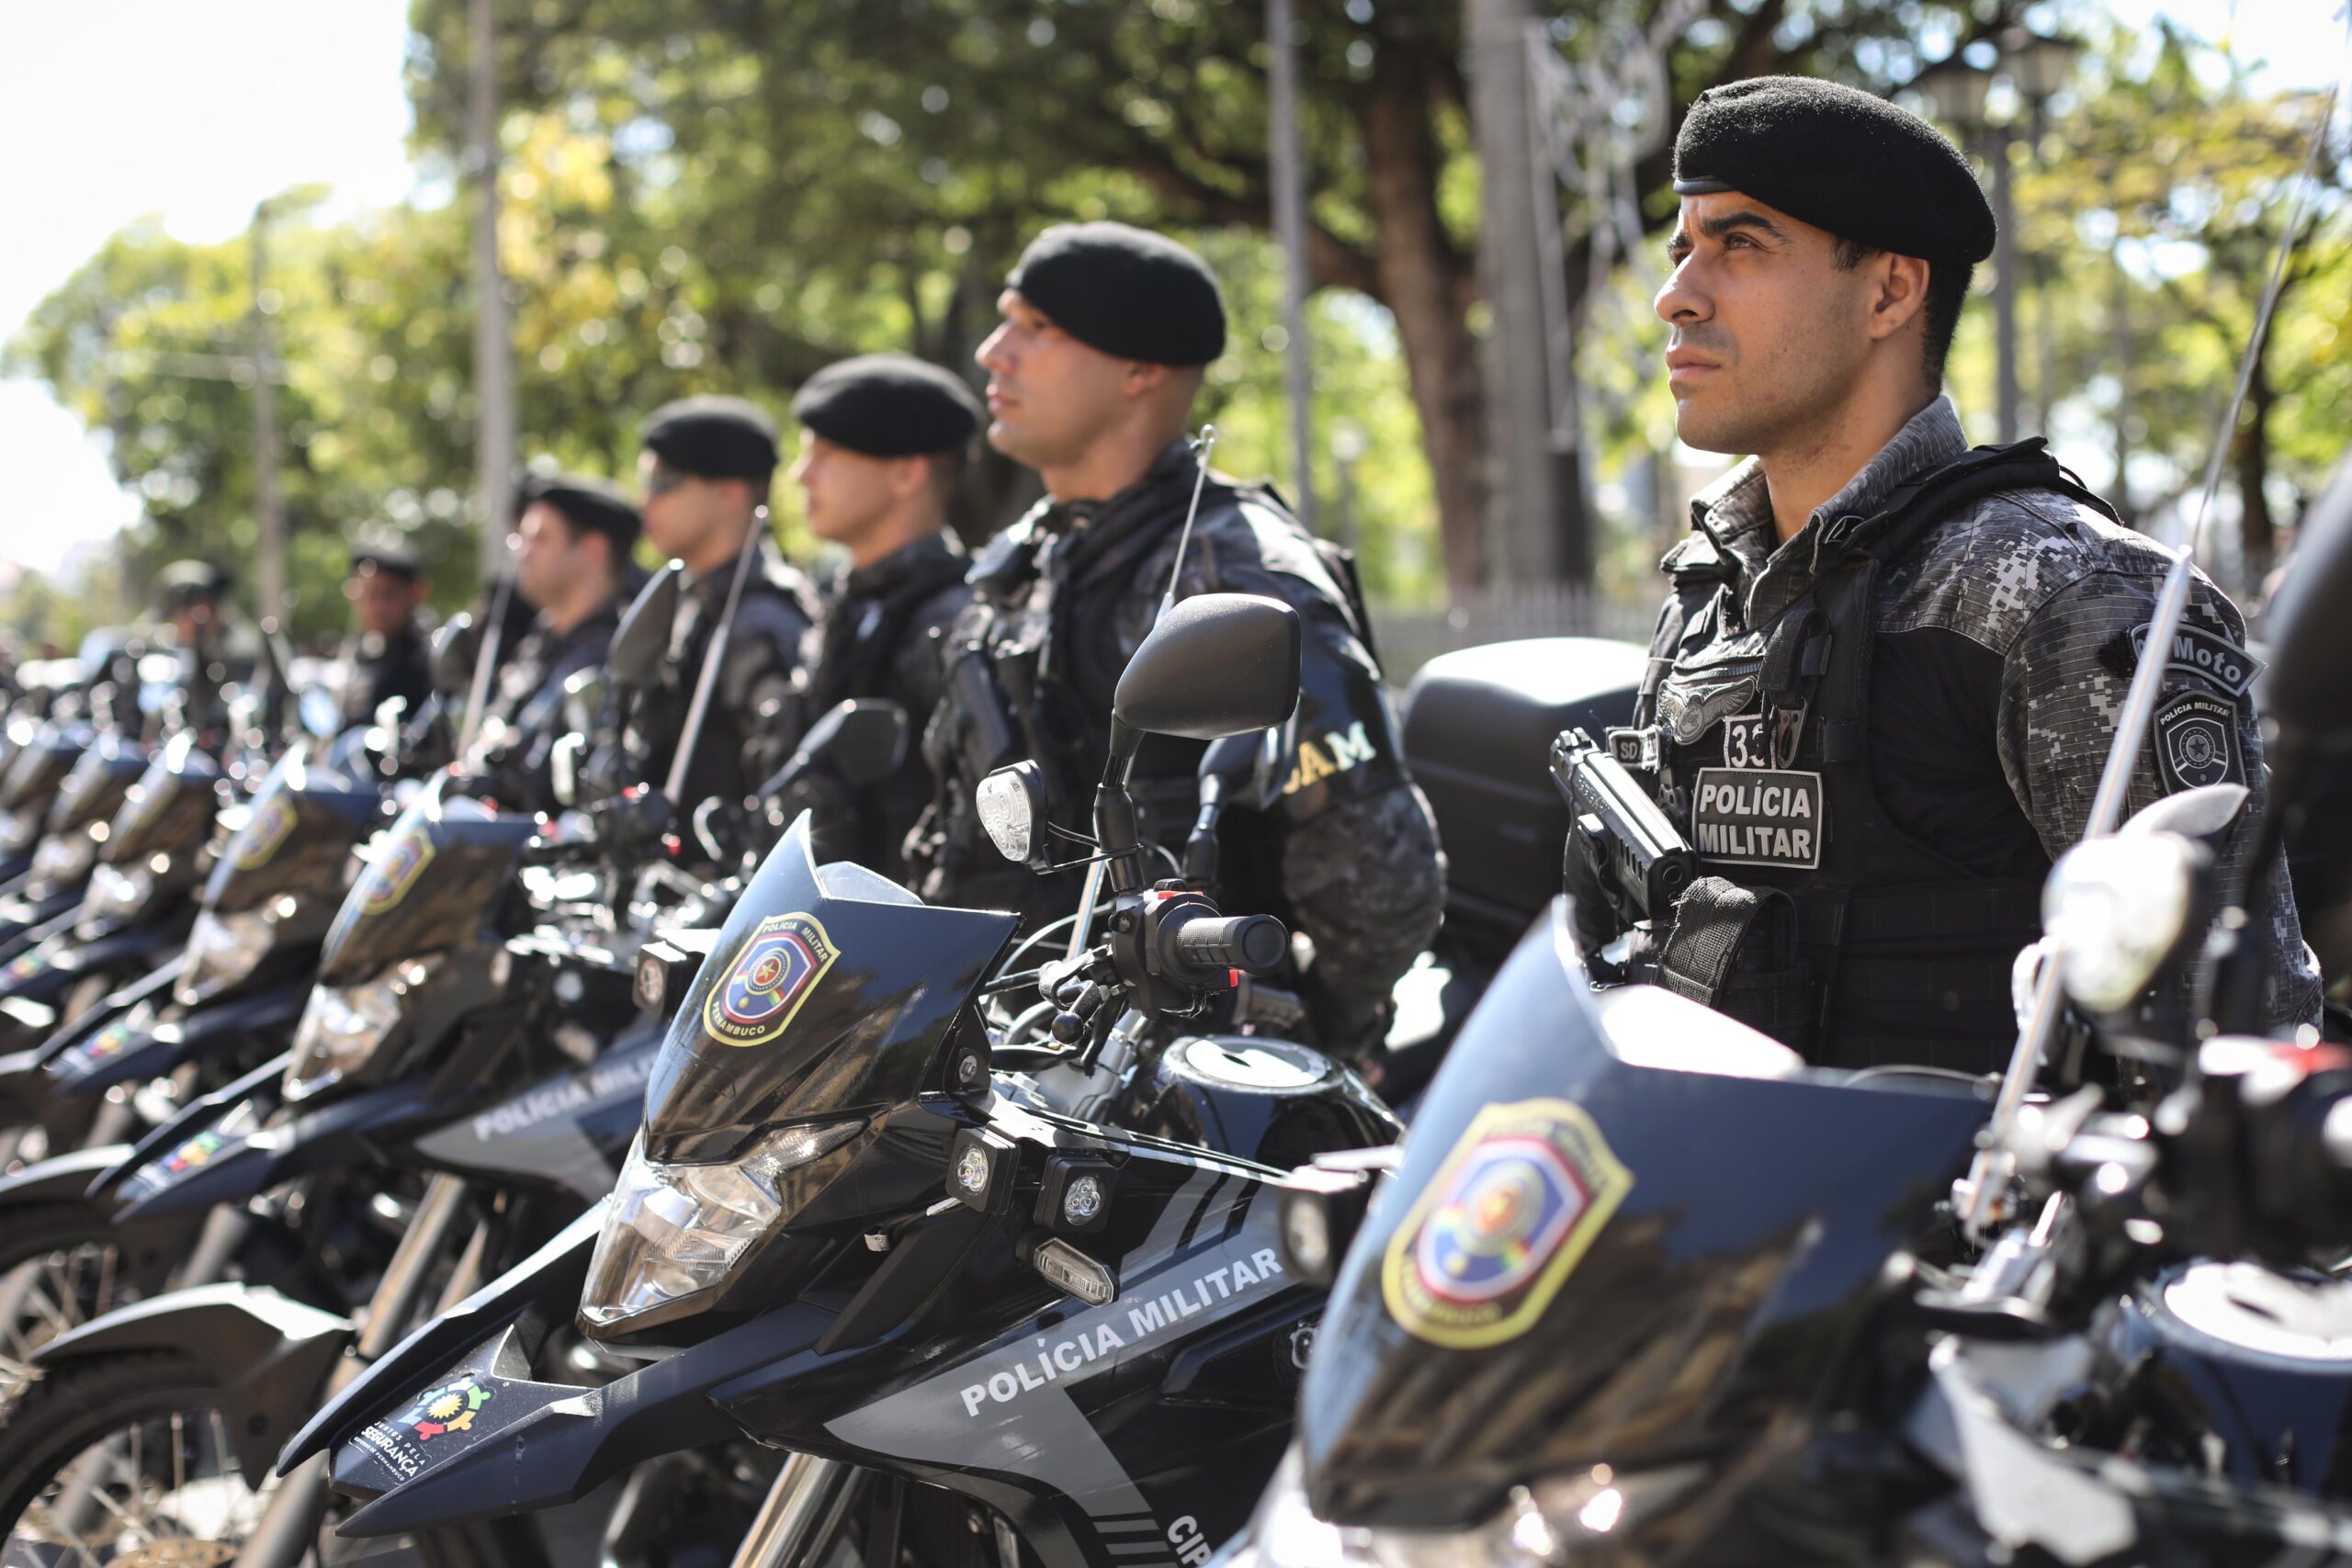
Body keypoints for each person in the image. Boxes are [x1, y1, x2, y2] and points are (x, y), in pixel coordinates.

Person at [1570, 74, 2321, 1068]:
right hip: (1714, 1198)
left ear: (1889, 291)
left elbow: (2229, 1038)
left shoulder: (2065, 590)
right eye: (1683, 248)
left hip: (1958, 1216)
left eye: (1740, 245)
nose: (1675, 294)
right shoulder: (1713, 583)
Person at [909, 220, 1445, 1065]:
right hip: (1011, 1061)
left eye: (1037, 328)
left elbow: (1379, 884)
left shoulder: (1237, 572)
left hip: (1168, 1096)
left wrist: (1285, 1042)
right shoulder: (1030, 558)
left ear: (1140, 369)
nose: (992, 351)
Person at [784, 353, 984, 882]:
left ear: (906, 473)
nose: (802, 474)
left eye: (826, 454)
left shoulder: (958, 618)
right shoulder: (848, 602)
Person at [624, 395, 818, 810]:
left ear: (729, 493)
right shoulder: (691, 601)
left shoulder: (763, 617)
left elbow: (785, 784)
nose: (646, 501)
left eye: (663, 483)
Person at [464, 472, 645, 813]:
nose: (521, 552)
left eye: (539, 539)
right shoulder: (537, 643)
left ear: (591, 551)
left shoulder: (620, 655)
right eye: (520, 538)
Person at [340, 538, 434, 728]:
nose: (377, 608)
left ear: (417, 593)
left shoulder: (431, 657)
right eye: (369, 595)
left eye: (389, 594)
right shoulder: (364, 654)